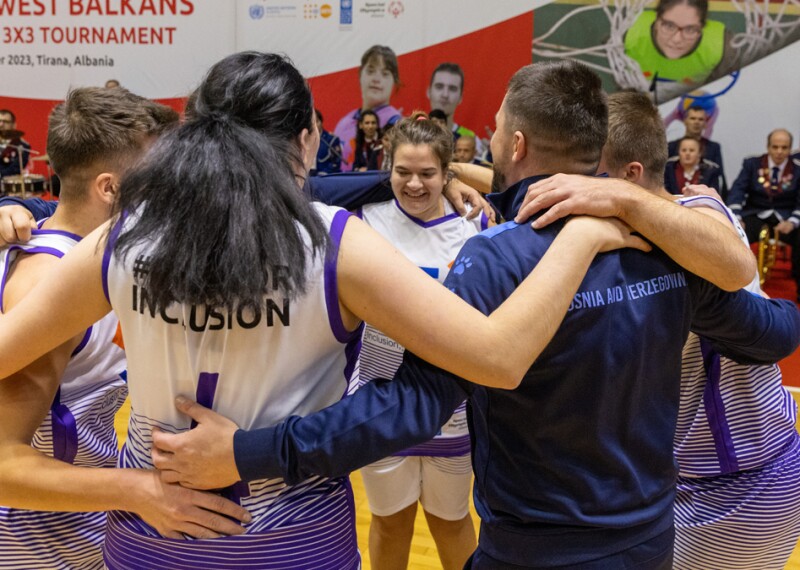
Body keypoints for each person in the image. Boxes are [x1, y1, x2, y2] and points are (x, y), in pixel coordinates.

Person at [0, 52, 647, 570]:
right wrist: (584, 236)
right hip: (293, 537)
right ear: (308, 141)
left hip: (151, 532)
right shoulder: (335, 241)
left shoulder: (125, 236)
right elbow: (500, 359)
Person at [149, 60, 798, 569]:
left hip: (538, 544)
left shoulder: (495, 256)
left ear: (514, 142)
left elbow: (412, 405)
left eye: (491, 129)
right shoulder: (667, 246)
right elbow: (771, 331)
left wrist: (248, 452)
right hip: (651, 535)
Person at [0, 87, 253, 569]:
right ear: (110, 189)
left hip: (77, 521)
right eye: (158, 175)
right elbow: (3, 466)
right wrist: (139, 490)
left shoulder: (102, 263)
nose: (173, 187)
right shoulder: (47, 280)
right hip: (33, 541)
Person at [562, 90, 800, 570]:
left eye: (592, 173)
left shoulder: (701, 217)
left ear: (629, 178)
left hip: (736, 479)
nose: (582, 186)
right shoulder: (688, 214)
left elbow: (728, 264)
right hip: (703, 475)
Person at [351, 112, 489, 570]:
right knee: (390, 523)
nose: (414, 184)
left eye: (428, 173)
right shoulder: (363, 222)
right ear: (386, 167)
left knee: (450, 522)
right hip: (381, 403)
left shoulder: (474, 228)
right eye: (403, 172)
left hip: (452, 411)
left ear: (447, 173)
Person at [726, 128, 800, 298]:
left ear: (790, 148)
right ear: (768, 147)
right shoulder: (752, 164)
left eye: (784, 148)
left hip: (786, 218)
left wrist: (793, 221)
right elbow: (737, 191)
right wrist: (737, 219)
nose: (779, 152)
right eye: (775, 147)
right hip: (756, 215)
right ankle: (737, 286)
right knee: (735, 234)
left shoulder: (797, 169)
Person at [624, 0, 737, 88]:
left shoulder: (723, 47)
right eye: (669, 26)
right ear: (657, 20)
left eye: (690, 29)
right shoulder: (627, 32)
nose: (677, 39)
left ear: (702, 27)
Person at [334, 45, 402, 170]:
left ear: (395, 81)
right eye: (370, 71)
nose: (376, 79)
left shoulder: (395, 123)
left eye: (385, 73)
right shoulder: (344, 122)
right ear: (360, 74)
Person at [426, 63, 479, 146]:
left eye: (452, 89)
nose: (445, 95)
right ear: (429, 92)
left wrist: (488, 156)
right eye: (439, 87)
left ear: (461, 97)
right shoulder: (411, 132)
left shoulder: (471, 140)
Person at [0, 110, 31, 180]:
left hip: (6, 184)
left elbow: (14, 170)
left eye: (5, 122)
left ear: (14, 125)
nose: (1, 125)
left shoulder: (22, 146)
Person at [312, 109, 342, 175]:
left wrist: (324, 172)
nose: (313, 125)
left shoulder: (331, 140)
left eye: (316, 121)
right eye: (311, 122)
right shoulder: (304, 141)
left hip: (326, 177)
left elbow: (336, 162)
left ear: (321, 122)